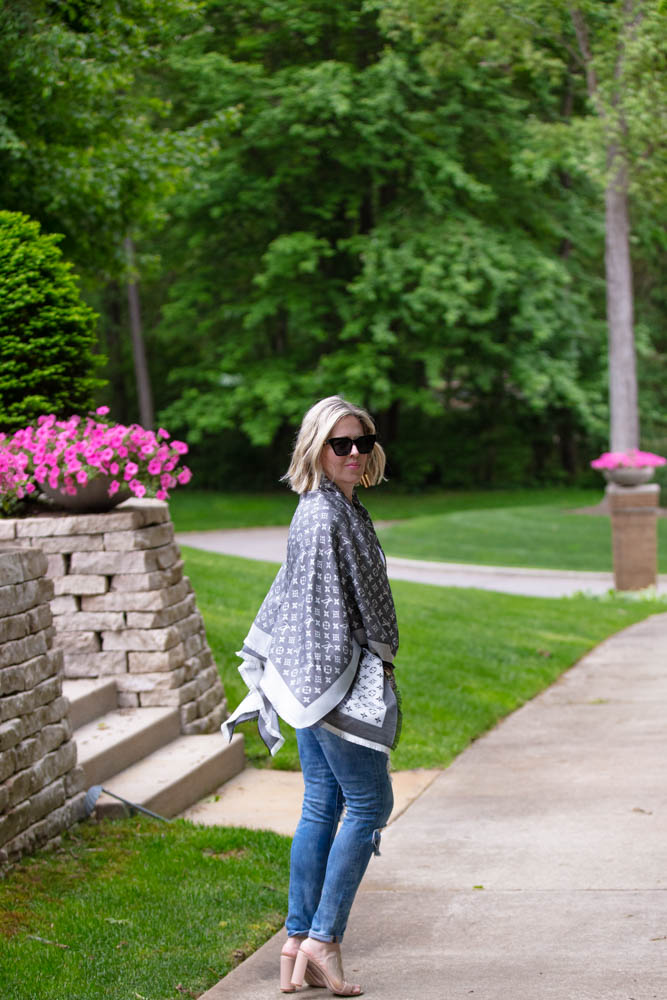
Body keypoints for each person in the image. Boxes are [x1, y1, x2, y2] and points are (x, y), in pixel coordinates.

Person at [222, 395, 400, 997]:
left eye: (361, 442)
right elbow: (322, 613)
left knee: (323, 804)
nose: (353, 453)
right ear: (315, 451)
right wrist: (357, 676)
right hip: (331, 682)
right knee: (370, 805)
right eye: (339, 444)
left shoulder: (334, 509)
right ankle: (323, 940)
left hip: (308, 678)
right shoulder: (325, 516)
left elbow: (290, 594)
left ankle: (296, 943)